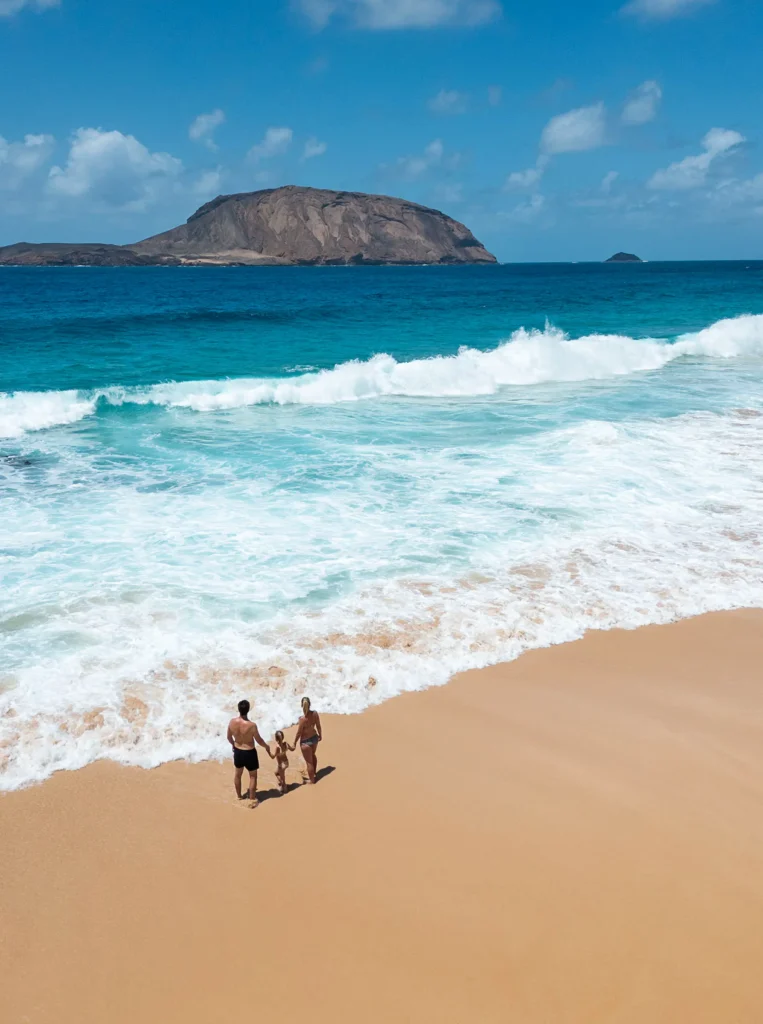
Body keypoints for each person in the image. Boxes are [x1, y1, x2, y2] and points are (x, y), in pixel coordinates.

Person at [227, 699, 271, 807]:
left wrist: (233, 744)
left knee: (238, 775)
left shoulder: (232, 722)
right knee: (252, 777)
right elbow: (259, 740)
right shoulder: (252, 725)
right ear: (248, 710)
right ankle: (252, 798)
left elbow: (228, 737)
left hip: (238, 752)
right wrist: (266, 746)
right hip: (249, 752)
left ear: (238, 709)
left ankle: (239, 796)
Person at [293, 696, 322, 784]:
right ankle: (314, 773)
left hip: (306, 742)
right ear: (310, 704)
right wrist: (320, 735)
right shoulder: (315, 714)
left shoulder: (302, 719)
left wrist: (294, 742)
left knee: (309, 762)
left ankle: (312, 780)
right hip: (314, 738)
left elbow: (299, 733)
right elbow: (318, 726)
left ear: (302, 705)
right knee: (313, 755)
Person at [267, 730, 294, 794]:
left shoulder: (278, 747)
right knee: (277, 773)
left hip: (281, 765)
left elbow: (273, 757)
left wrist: (268, 751)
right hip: (286, 762)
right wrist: (294, 744)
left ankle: (285, 790)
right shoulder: (286, 744)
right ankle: (283, 785)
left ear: (276, 738)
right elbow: (292, 749)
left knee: (282, 778)